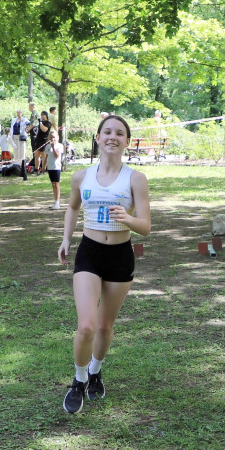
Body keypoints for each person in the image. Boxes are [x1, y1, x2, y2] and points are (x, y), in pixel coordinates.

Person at [58, 115, 151, 414]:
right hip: (90, 253)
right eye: (107, 132)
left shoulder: (135, 178)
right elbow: (72, 207)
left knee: (105, 326)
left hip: (120, 255)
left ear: (126, 141)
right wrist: (66, 240)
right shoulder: (80, 176)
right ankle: (78, 379)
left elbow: (146, 226)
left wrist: (128, 218)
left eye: (120, 133)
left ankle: (96, 370)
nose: (113, 137)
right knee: (87, 325)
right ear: (97, 138)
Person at [43, 130, 64, 209]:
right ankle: (55, 201)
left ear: (57, 138)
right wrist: (44, 166)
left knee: (57, 184)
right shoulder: (47, 147)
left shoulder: (59, 146)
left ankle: (57, 201)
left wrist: (53, 147)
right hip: (50, 167)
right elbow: (46, 157)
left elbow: (57, 155)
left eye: (54, 137)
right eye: (51, 137)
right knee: (53, 184)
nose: (52, 139)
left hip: (56, 167)